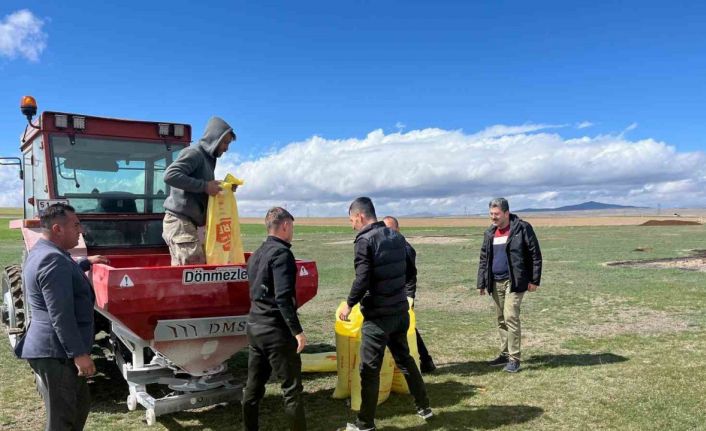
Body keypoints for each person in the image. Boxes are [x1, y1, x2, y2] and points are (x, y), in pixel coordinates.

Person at [339, 198, 431, 431]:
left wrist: (349, 304)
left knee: (369, 370)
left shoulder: (364, 240)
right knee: (405, 360)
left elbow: (363, 278)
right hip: (399, 312)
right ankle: (424, 406)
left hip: (378, 317)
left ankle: (364, 424)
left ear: (360, 216)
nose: (352, 225)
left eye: (351, 220)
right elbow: (410, 270)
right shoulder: (397, 237)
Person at [14, 203, 108, 430]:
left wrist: (85, 262)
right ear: (57, 229)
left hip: (55, 350)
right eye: (76, 225)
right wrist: (79, 354)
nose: (80, 231)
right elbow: (61, 314)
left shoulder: (43, 252)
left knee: (78, 408)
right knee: (63, 421)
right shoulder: (53, 260)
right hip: (56, 353)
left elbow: (61, 275)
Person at [242, 207, 307, 431]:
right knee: (291, 389)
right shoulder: (282, 254)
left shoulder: (257, 254)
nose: (293, 232)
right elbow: (283, 298)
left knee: (253, 387)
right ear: (285, 225)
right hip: (275, 331)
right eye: (292, 227)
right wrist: (297, 331)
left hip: (255, 327)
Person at [477, 198, 542, 373]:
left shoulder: (522, 228)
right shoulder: (490, 232)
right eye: (491, 214)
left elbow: (535, 254)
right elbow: (484, 258)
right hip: (495, 281)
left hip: (515, 281)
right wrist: (482, 282)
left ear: (506, 213)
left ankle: (514, 359)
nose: (493, 217)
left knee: (510, 317)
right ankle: (504, 354)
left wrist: (534, 280)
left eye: (496, 214)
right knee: (501, 319)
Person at [162, 116, 236, 265]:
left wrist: (224, 187)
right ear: (215, 138)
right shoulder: (195, 153)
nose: (226, 148)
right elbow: (170, 175)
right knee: (194, 269)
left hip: (191, 224)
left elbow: (204, 185)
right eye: (225, 142)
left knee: (193, 270)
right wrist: (205, 186)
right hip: (180, 221)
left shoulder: (208, 158)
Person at [382, 216, 436, 373]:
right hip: (392, 295)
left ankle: (423, 361)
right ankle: (425, 361)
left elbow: (411, 276)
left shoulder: (406, 249)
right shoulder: (388, 247)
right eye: (384, 230)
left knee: (405, 327)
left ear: (397, 229)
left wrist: (410, 298)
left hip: (403, 296)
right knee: (406, 327)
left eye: (390, 229)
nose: (387, 233)